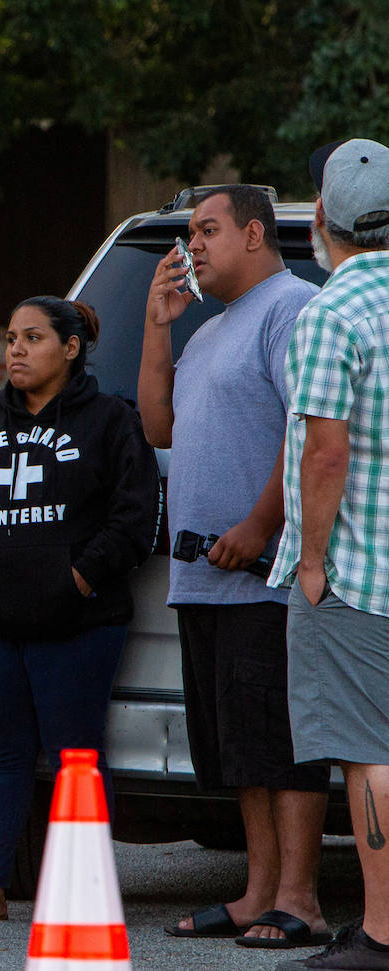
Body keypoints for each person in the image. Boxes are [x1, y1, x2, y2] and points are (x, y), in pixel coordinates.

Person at [0, 296, 158, 923]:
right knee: (3, 755)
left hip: (78, 623)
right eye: (12, 337)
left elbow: (136, 517)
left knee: (76, 756)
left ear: (71, 348)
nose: (15, 349)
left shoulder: (110, 421)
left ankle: (81, 890)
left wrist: (79, 576)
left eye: (33, 338)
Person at [137, 184, 331, 949]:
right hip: (203, 579)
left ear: (255, 233)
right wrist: (158, 329)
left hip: (267, 575)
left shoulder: (290, 307)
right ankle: (257, 892)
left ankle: (301, 898)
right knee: (239, 747)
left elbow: (312, 421)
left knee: (281, 742)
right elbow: (161, 425)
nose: (194, 247)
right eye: (191, 233)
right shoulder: (212, 332)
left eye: (208, 229)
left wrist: (259, 523)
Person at [268, 138, 389, 971]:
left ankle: (381, 932)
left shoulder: (332, 312)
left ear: (322, 218)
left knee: (370, 751)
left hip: (357, 571)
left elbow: (325, 452)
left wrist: (312, 563)